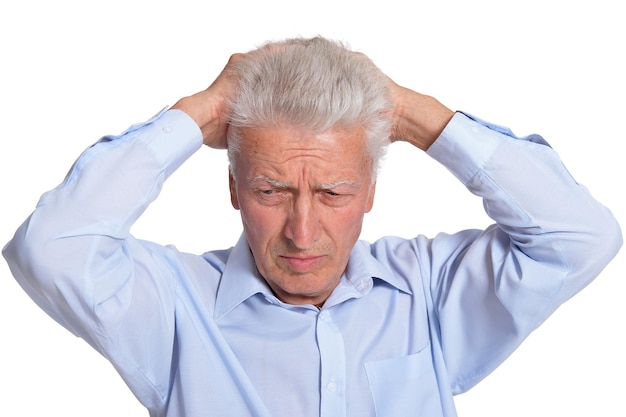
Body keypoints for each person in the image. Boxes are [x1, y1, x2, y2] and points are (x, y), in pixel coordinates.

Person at [3, 36, 622, 417]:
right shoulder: (171, 308)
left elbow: (580, 236)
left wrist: (415, 115)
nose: (303, 231)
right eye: (271, 191)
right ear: (233, 190)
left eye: (333, 192)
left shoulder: (430, 293)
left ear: (371, 192)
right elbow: (51, 248)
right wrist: (200, 113)